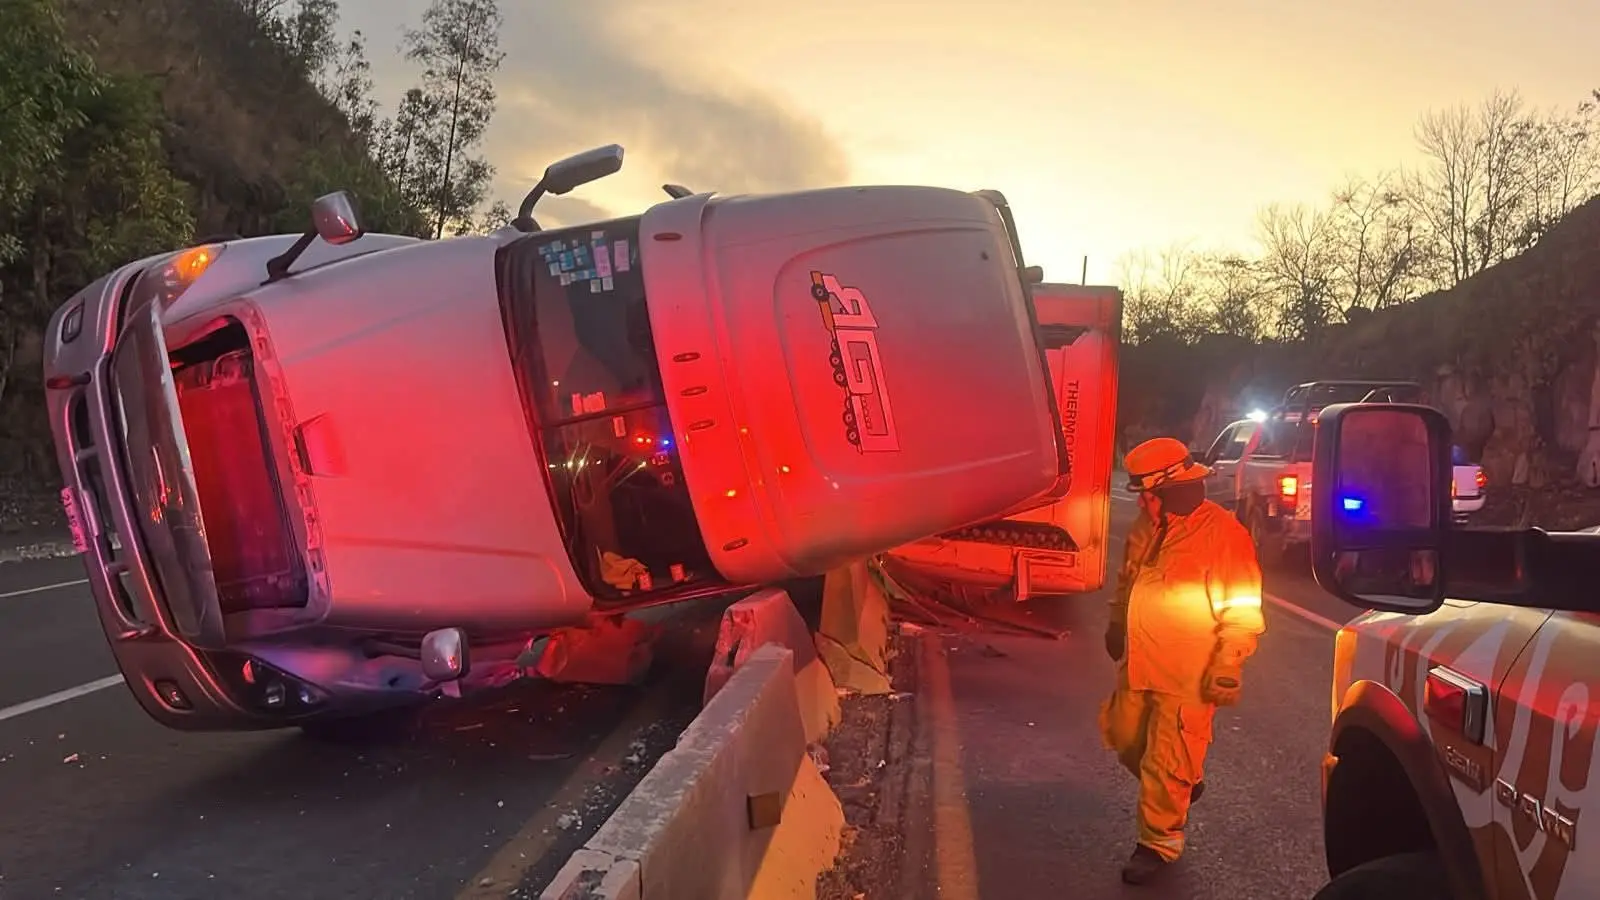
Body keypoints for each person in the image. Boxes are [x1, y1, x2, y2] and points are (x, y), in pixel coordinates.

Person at [1101, 436, 1267, 885]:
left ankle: (1158, 842)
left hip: (1189, 672)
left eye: (1150, 495)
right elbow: (1128, 579)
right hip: (1141, 661)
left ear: (1173, 489)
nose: (1144, 504)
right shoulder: (1147, 527)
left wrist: (1228, 665)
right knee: (1124, 737)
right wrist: (1116, 621)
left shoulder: (1223, 534)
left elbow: (1241, 606)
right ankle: (1183, 781)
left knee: (1167, 757)